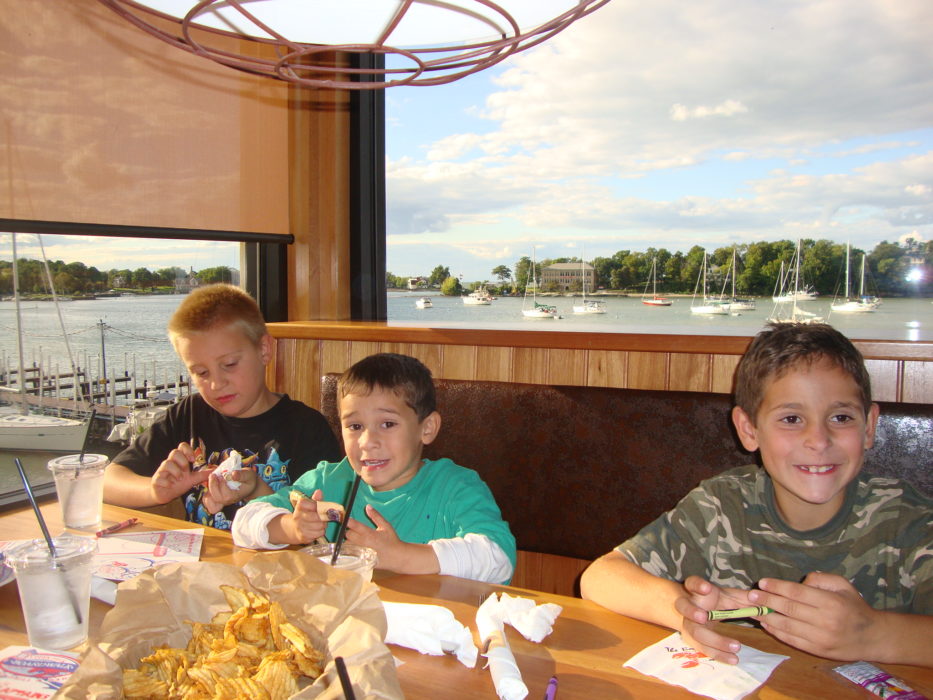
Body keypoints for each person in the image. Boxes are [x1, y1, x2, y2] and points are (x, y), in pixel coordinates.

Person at [580, 322, 932, 668]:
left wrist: (870, 634)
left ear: (869, 426)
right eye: (792, 419)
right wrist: (685, 611)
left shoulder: (907, 520)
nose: (819, 440)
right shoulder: (721, 505)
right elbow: (600, 577)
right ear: (749, 430)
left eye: (841, 417)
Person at [233, 352, 517, 585]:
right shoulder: (329, 480)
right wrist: (291, 528)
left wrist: (401, 556)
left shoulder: (455, 487)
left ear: (427, 428)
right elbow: (244, 522)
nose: (367, 442)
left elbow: (499, 558)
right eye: (355, 427)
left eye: (387, 424)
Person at [103, 284, 342, 530]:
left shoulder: (306, 428)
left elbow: (324, 524)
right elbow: (108, 481)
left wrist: (256, 492)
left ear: (264, 350)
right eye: (201, 372)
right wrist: (155, 492)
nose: (217, 384)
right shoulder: (187, 415)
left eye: (229, 364)